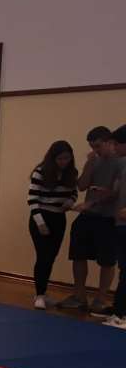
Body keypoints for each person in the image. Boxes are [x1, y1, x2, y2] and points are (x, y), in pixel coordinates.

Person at [58, 127, 120, 315]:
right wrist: (89, 163)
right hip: (88, 215)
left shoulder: (120, 162)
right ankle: (79, 296)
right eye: (92, 147)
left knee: (107, 260)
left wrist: (92, 203)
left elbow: (115, 192)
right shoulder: (94, 160)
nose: (95, 150)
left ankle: (100, 299)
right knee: (78, 253)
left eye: (98, 146)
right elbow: (82, 185)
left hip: (109, 217)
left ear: (109, 142)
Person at [28, 141, 79, 310]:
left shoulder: (71, 173)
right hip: (41, 216)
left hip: (59, 217)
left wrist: (70, 201)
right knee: (43, 256)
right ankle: (39, 294)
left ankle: (42, 292)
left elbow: (74, 192)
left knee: (51, 257)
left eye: (67, 158)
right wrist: (40, 223)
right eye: (60, 159)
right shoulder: (40, 172)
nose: (64, 162)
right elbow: (32, 199)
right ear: (53, 158)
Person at [104, 125, 126, 328]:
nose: (114, 148)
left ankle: (120, 314)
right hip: (121, 223)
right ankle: (119, 311)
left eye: (116, 144)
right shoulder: (123, 164)